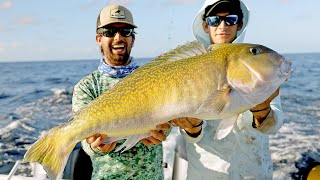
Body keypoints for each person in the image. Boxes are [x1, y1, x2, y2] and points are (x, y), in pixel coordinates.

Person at [170, 0, 284, 179]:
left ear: (239, 24)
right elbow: (192, 136)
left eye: (230, 19)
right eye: (215, 20)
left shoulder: (257, 66)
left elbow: (274, 125)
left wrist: (263, 113)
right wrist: (191, 127)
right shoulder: (187, 68)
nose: (222, 26)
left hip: (254, 173)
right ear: (205, 25)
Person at [72, 4, 170, 180]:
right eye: (109, 32)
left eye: (125, 31)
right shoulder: (86, 87)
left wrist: (164, 131)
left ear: (133, 39)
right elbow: (85, 142)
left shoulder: (153, 78)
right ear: (98, 39)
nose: (118, 37)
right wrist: (95, 146)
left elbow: (169, 117)